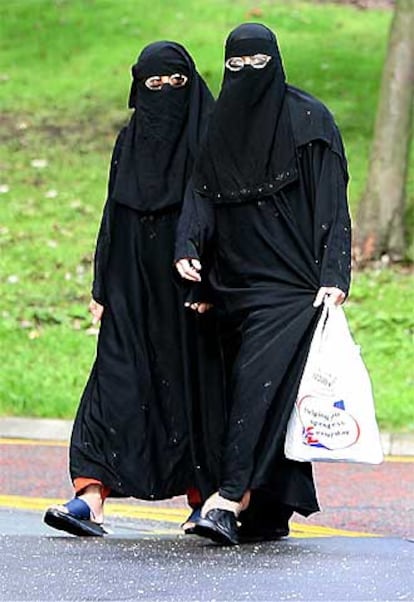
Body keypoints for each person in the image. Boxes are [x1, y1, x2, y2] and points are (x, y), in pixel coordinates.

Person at [175, 23, 352, 545]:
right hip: (230, 284)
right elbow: (201, 193)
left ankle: (230, 498)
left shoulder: (308, 119)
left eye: (258, 65)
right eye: (236, 66)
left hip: (291, 288)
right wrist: (188, 247)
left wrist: (334, 274)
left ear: (276, 62)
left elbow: (332, 202)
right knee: (238, 394)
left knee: (258, 389)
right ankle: (270, 510)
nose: (248, 75)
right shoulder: (218, 126)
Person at [44, 41, 225, 537]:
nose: (164, 94)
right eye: (154, 85)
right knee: (114, 379)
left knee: (189, 387)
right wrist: (101, 285)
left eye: (175, 84)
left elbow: (221, 216)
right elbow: (112, 213)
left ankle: (200, 497)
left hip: (186, 287)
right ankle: (90, 495)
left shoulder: (208, 138)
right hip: (128, 281)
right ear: (137, 90)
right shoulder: (129, 141)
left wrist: (212, 280)